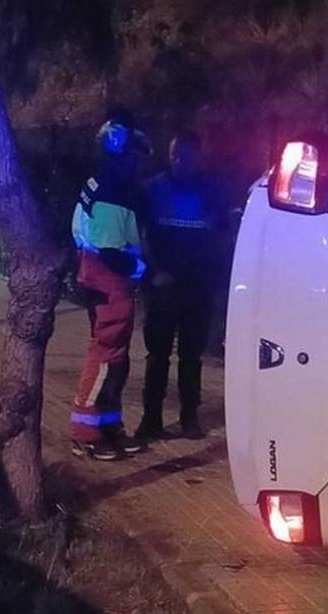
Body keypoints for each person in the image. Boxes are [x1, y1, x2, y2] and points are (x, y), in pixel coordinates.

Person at [69, 111, 150, 461]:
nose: (140, 163)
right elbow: (111, 250)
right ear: (124, 153)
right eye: (136, 156)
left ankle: (108, 424)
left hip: (101, 278)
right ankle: (85, 431)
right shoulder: (113, 190)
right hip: (108, 279)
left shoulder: (103, 182)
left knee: (116, 358)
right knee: (105, 356)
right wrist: (145, 270)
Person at [135, 131, 225, 441]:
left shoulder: (212, 191)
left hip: (196, 289)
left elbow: (220, 237)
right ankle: (151, 420)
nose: (179, 161)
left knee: (191, 357)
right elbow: (141, 236)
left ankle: (189, 417)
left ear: (197, 156)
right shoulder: (152, 190)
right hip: (162, 288)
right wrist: (153, 273)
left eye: (185, 155)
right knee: (157, 356)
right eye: (174, 155)